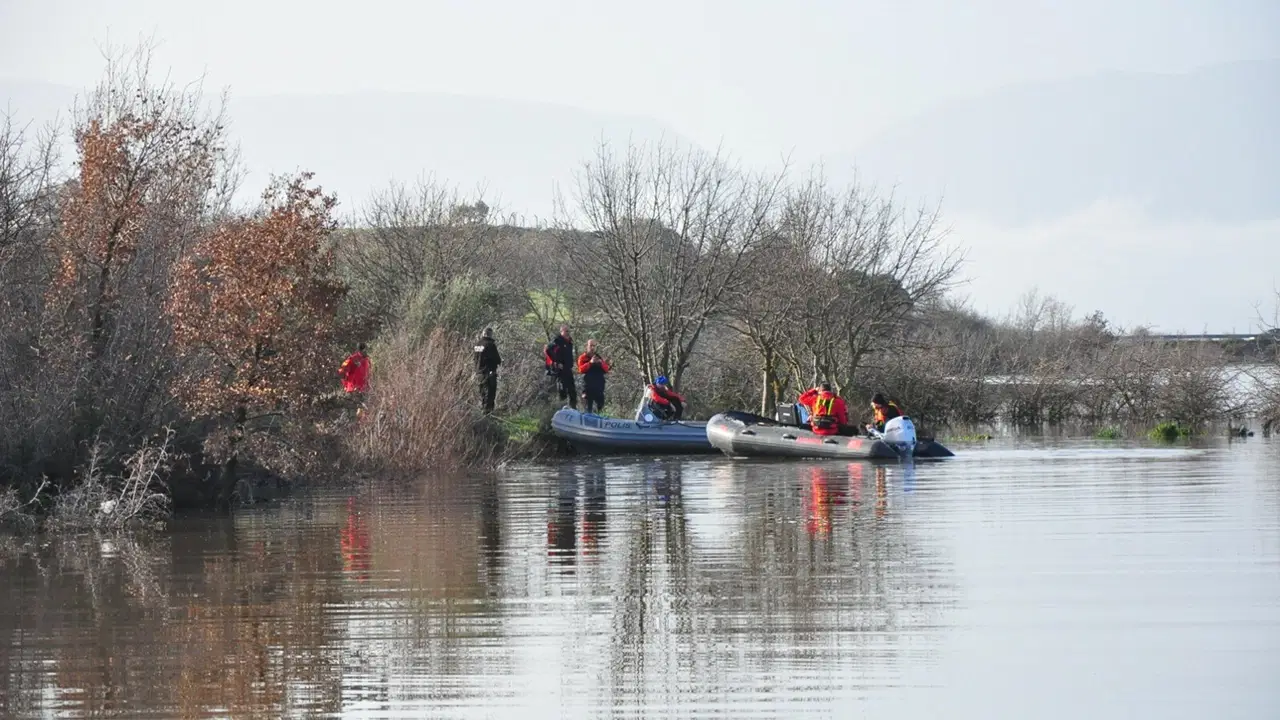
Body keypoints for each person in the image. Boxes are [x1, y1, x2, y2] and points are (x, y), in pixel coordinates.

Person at [544, 325, 577, 409]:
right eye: (566, 331)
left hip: (568, 369)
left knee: (572, 391)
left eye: (568, 331)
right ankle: (562, 410)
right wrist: (556, 362)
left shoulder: (569, 342)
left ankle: (573, 410)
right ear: (561, 331)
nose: (567, 333)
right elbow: (547, 350)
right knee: (562, 390)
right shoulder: (557, 341)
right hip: (560, 370)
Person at [576, 338, 610, 414]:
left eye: (594, 346)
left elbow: (606, 369)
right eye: (590, 346)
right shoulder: (582, 357)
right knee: (588, 408)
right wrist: (590, 363)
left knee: (600, 406)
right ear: (587, 346)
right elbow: (581, 369)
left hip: (599, 387)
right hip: (588, 387)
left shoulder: (599, 357)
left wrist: (601, 363)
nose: (592, 348)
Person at [474, 327, 502, 414]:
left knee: (482, 392)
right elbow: (497, 359)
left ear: (483, 334)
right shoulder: (490, 345)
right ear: (490, 334)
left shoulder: (477, 344)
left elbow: (475, 358)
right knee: (490, 393)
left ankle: (482, 410)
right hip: (489, 373)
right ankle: (488, 413)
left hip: (479, 372)